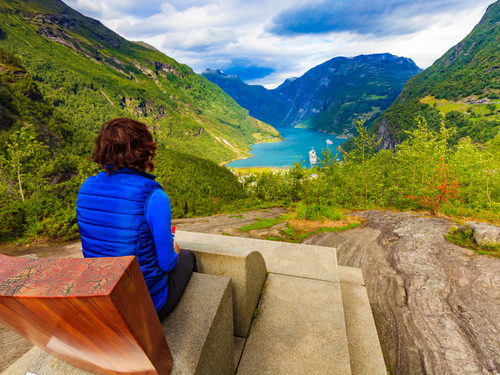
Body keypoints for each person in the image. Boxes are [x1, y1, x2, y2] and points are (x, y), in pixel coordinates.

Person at [76, 117, 196, 320]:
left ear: (103, 149)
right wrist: (175, 252)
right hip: (144, 303)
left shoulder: (86, 187)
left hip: (104, 294)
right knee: (188, 258)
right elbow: (167, 264)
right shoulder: (153, 196)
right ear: (143, 150)